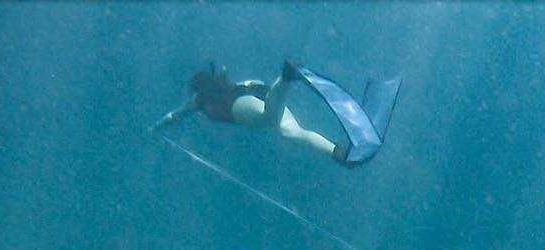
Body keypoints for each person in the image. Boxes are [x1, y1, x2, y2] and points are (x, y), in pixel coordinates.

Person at [156, 60, 400, 168]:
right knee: (290, 130)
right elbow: (247, 82)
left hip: (241, 103)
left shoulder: (201, 99)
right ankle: (337, 153)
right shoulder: (220, 85)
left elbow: (174, 115)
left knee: (267, 117)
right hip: (257, 90)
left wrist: (157, 127)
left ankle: (286, 77)